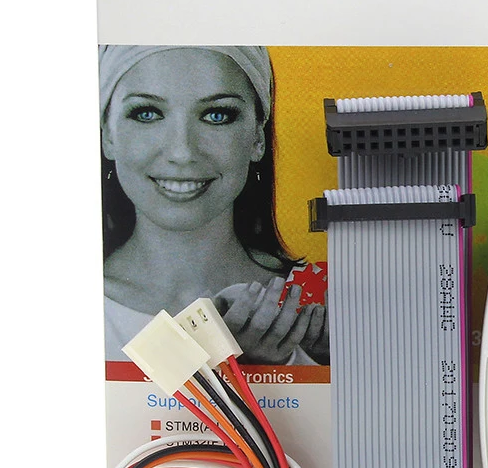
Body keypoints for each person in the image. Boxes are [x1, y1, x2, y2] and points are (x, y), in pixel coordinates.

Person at [100, 45, 328, 364]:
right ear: (107, 135)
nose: (182, 152)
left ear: (257, 138)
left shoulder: (323, 308)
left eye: (217, 115)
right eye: (147, 113)